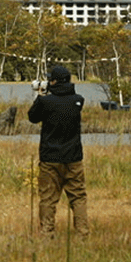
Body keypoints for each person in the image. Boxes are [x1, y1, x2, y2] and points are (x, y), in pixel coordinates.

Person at [26, 63, 88, 236]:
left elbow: (32, 117)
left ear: (53, 82)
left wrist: (40, 95)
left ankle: (47, 232)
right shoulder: (77, 101)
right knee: (78, 196)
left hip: (50, 157)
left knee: (48, 198)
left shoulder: (45, 101)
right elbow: (67, 98)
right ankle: (82, 232)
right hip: (74, 157)